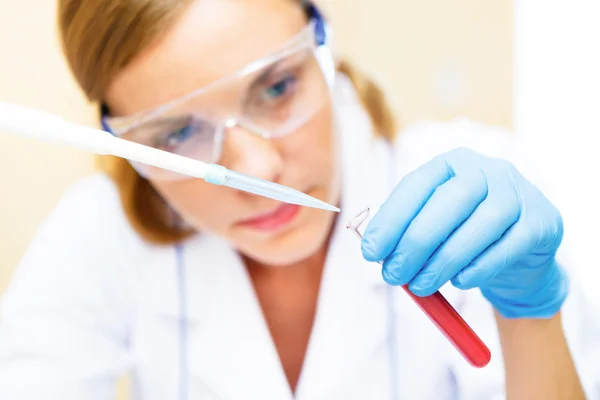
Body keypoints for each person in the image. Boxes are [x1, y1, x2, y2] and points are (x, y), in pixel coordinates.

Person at [0, 0, 598, 399]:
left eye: (278, 87)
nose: (257, 167)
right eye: (175, 135)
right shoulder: (94, 237)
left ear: (324, 46)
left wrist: (532, 318)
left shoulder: (474, 197)